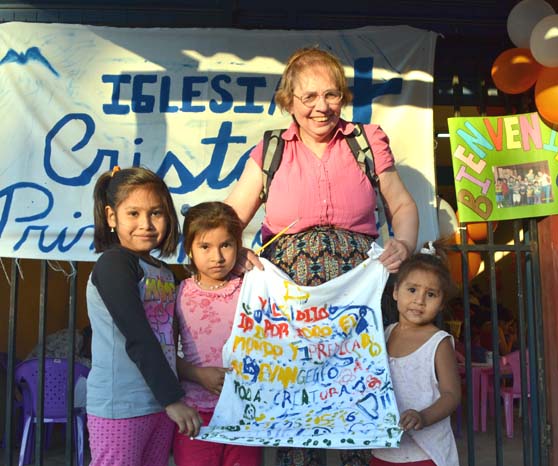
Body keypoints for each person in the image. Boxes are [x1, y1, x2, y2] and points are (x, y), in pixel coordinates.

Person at [225, 46, 419, 466]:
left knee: (358, 395)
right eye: (309, 97)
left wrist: (403, 242)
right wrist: (235, 252)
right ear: (288, 101)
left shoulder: (366, 141)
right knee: (296, 399)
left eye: (331, 95)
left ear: (343, 97)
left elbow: (401, 206)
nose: (321, 107)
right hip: (293, 300)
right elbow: (229, 218)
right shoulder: (271, 148)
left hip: (358, 293)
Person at [86, 166, 202, 466]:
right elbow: (137, 335)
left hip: (158, 405)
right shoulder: (114, 264)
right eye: (133, 214)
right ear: (112, 217)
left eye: (156, 213)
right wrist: (172, 399)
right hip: (122, 405)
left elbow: (169, 341)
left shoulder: (162, 271)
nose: (146, 224)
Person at [172, 202, 262, 466]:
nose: (217, 257)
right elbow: (165, 353)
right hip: (196, 414)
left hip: (244, 413)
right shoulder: (179, 293)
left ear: (238, 245)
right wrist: (197, 374)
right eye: (205, 247)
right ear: (189, 248)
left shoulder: (250, 290)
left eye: (226, 245)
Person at [370, 242, 461, 466]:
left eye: (430, 294)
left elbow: (452, 395)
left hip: (426, 452)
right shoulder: (385, 334)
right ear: (395, 291)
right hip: (384, 450)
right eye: (412, 290)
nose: (419, 300)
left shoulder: (438, 343)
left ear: (441, 304)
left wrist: (423, 417)